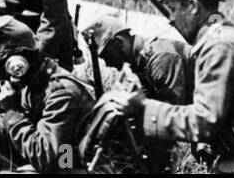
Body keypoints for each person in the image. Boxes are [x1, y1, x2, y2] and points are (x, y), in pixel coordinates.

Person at [99, 0, 234, 174]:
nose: (170, 19)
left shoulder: (219, 46)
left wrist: (143, 108)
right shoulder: (222, 38)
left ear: (193, 6)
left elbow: (204, 122)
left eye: (173, 9)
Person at [0, 15, 95, 172]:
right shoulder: (35, 80)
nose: (0, 75)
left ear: (17, 63)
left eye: (1, 66)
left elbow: (46, 157)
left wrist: (11, 111)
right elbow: (18, 119)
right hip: (59, 161)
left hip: (70, 165)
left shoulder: (61, 94)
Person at [80, 13, 190, 169]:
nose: (108, 64)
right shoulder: (138, 64)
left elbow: (170, 118)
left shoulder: (161, 59)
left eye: (106, 55)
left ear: (118, 42)